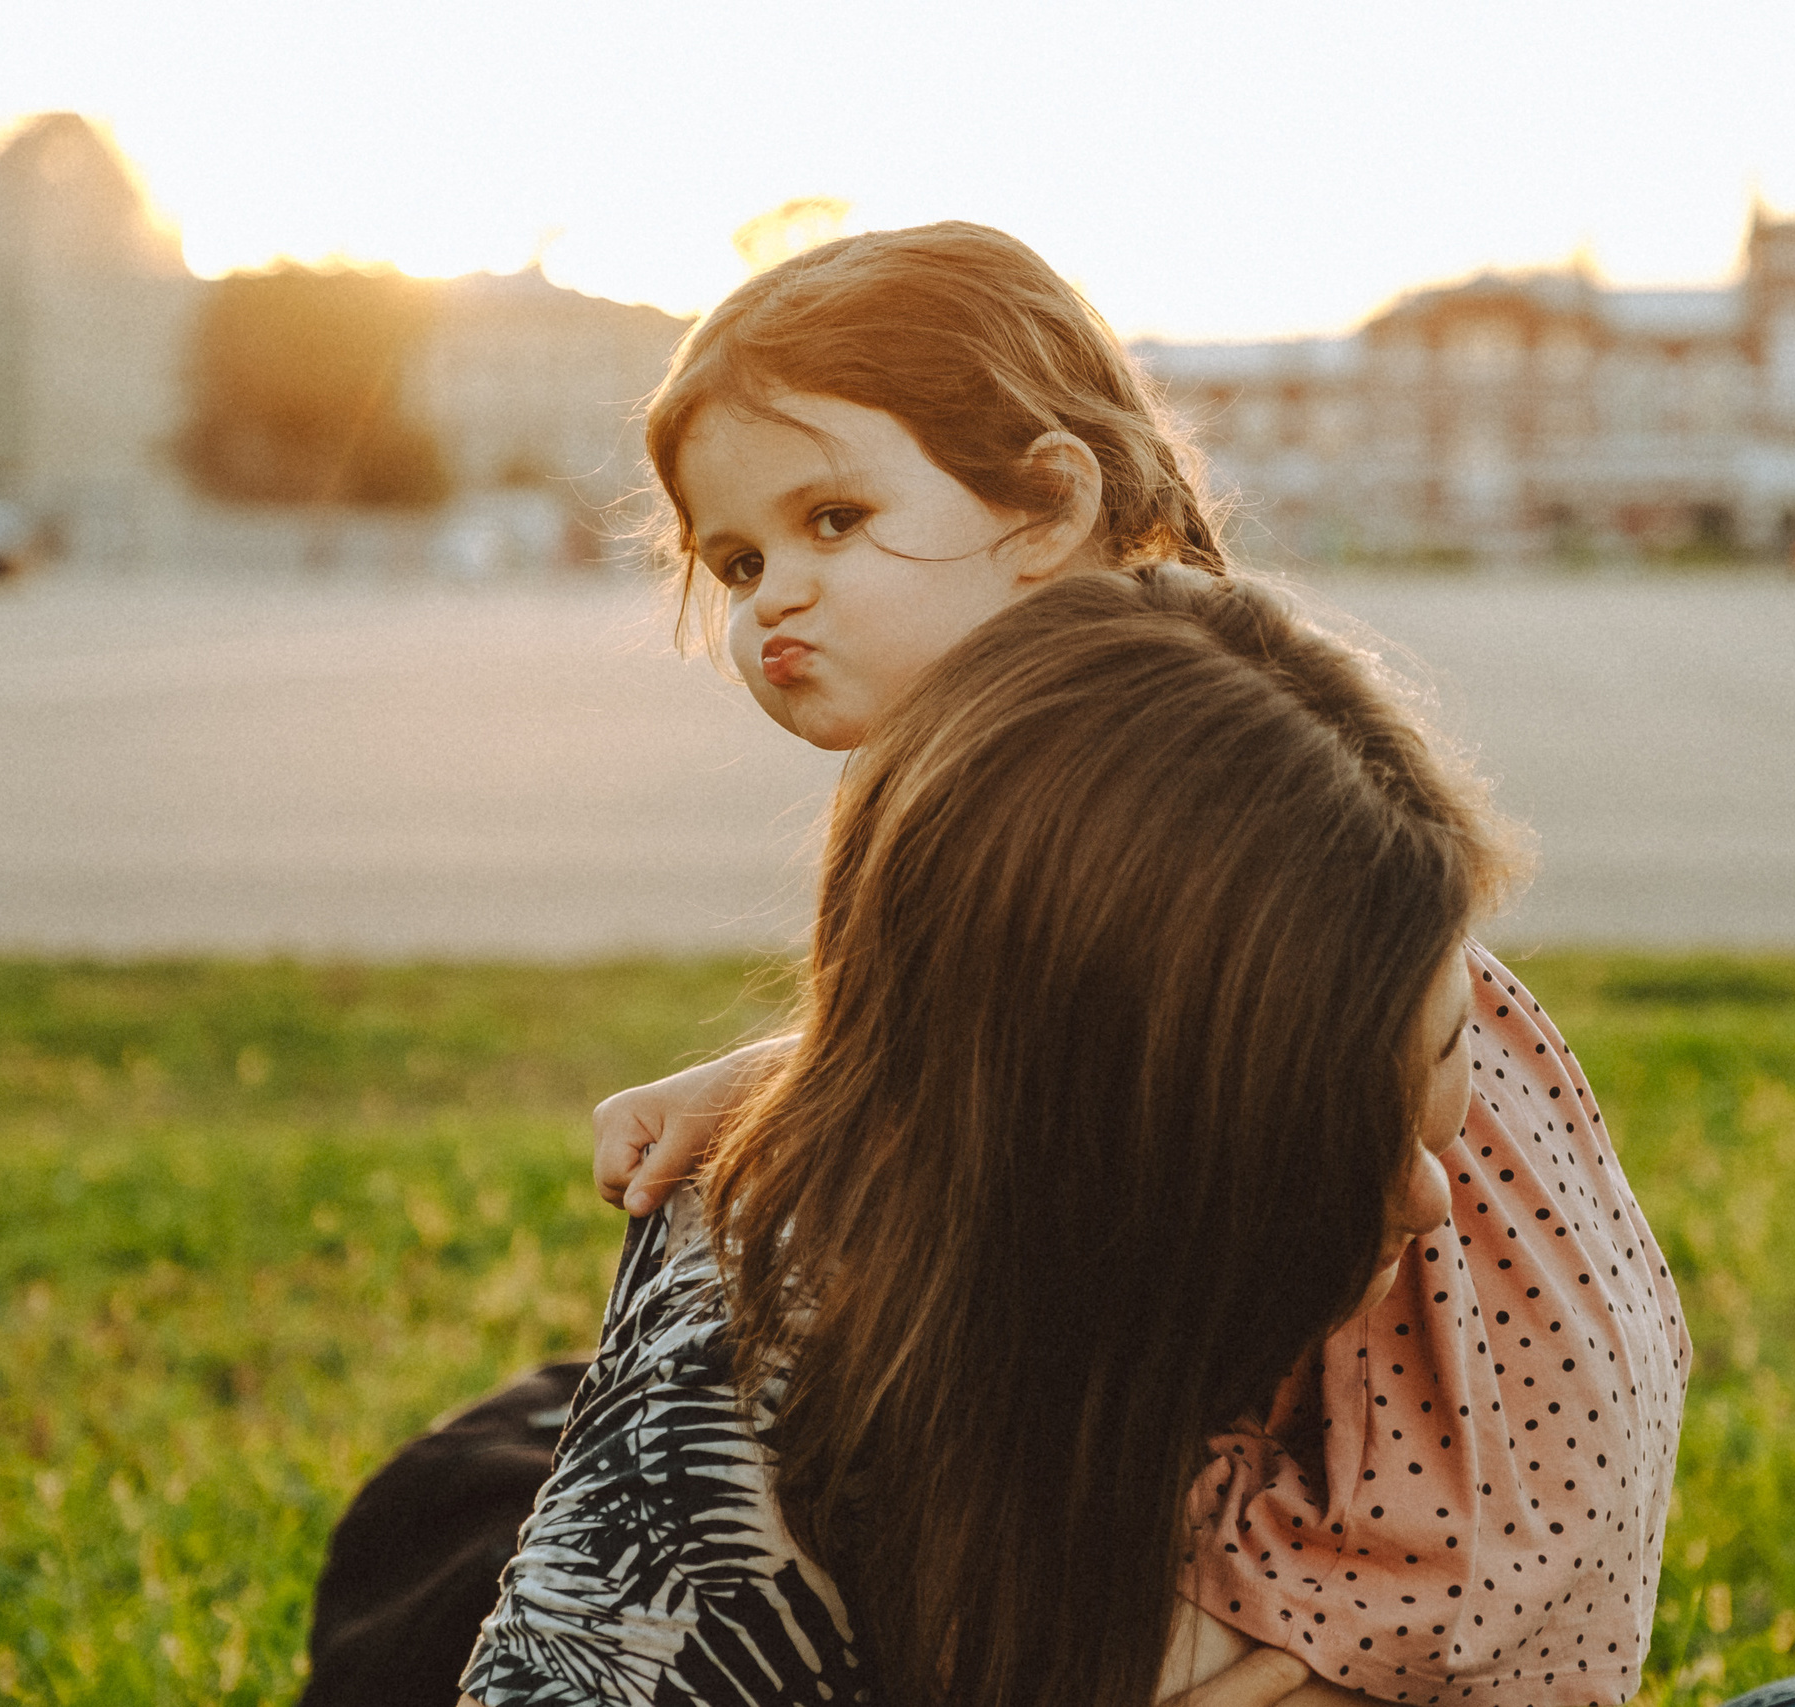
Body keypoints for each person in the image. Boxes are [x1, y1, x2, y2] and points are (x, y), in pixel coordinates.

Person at [575, 223, 1688, 1706]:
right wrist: (777, 1073)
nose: (772, 594)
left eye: (834, 518)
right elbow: (1010, 1043)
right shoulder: (959, 768)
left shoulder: (1166, 752)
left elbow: (1118, 1036)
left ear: (1047, 501)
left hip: (1434, 1407)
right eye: (736, 558)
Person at [465, 566, 1521, 1707]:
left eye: (1450, 1048)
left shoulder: (1090, 1250)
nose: (1430, 1200)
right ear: (1118, 1154)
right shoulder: (751, 1427)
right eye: (1322, 1146)